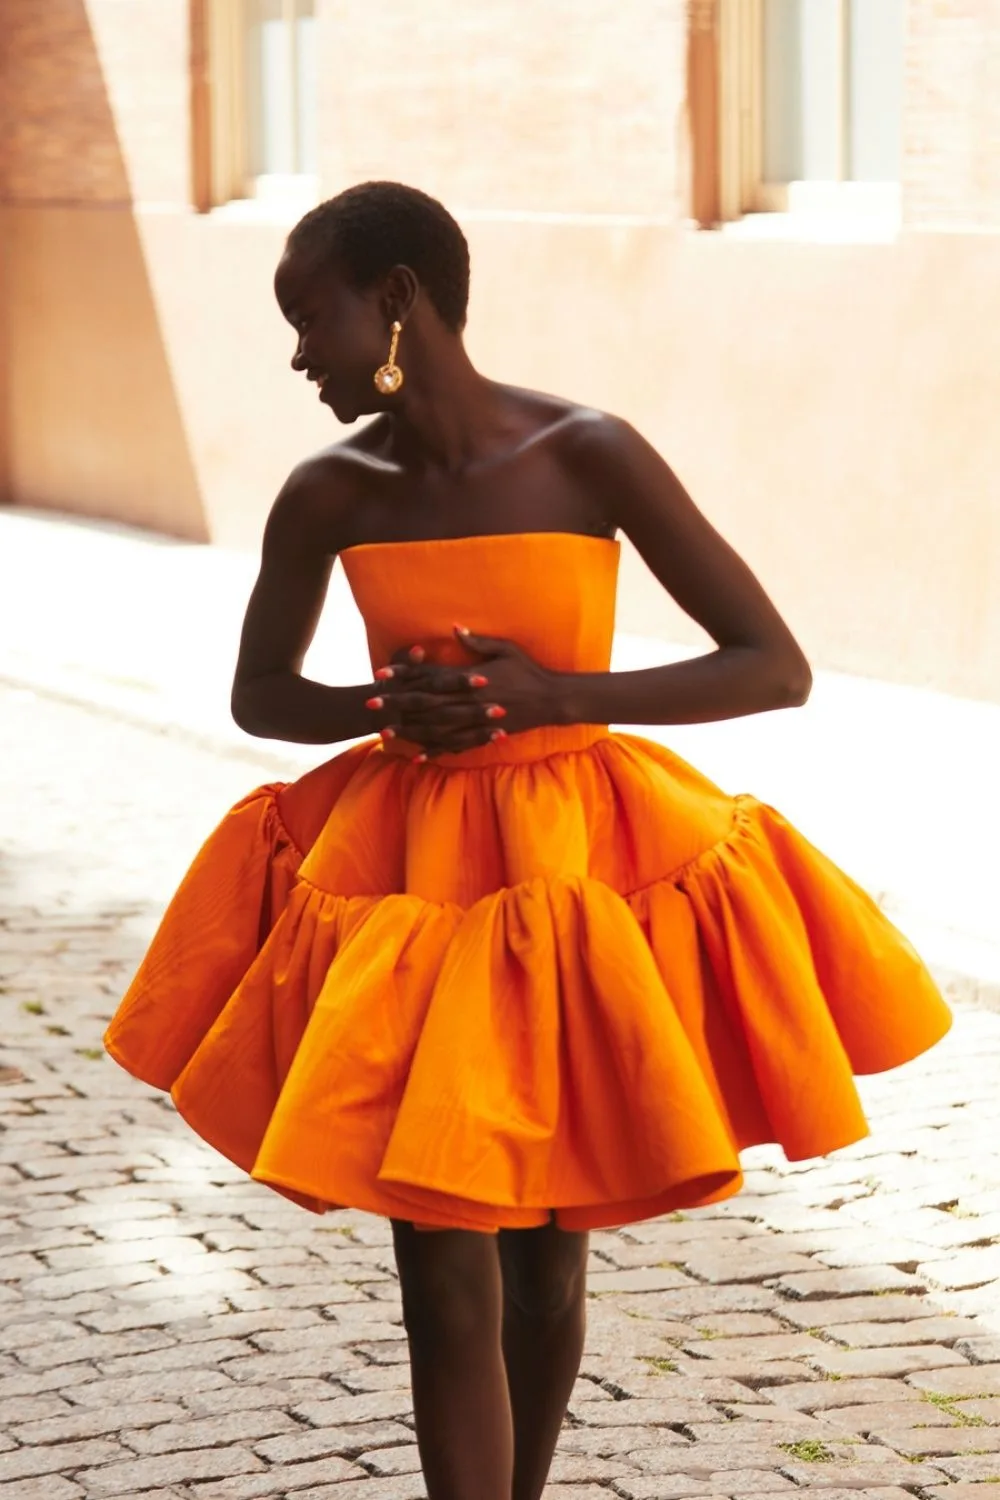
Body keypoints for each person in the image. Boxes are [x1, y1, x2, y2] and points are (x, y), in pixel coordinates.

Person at [105, 180, 951, 1500]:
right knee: (442, 1267)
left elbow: (771, 665)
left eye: (307, 316)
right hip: (413, 884)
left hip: (574, 873)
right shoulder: (327, 494)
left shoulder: (588, 452)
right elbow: (260, 694)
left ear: (395, 300)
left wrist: (559, 697)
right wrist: (380, 707)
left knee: (546, 1260)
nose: (296, 354)